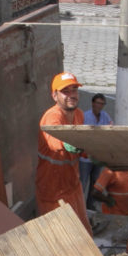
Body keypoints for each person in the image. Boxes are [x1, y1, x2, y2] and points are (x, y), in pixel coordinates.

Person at [36, 72, 93, 235]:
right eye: (65, 91)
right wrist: (68, 144)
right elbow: (54, 139)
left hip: (72, 185)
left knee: (84, 232)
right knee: (61, 238)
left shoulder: (79, 114)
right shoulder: (52, 117)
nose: (71, 95)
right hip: (52, 191)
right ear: (54, 95)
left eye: (74, 90)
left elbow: (79, 149)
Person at [81, 93, 113, 210]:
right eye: (98, 103)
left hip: (98, 157)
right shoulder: (85, 116)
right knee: (82, 184)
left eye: (102, 104)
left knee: (95, 184)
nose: (99, 106)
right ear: (92, 103)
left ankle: (90, 207)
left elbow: (110, 130)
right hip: (85, 158)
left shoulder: (105, 117)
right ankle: (79, 208)